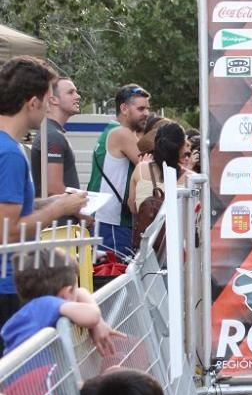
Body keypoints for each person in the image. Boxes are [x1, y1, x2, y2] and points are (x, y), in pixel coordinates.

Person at [0, 57, 88, 350]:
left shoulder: (9, 148)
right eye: (49, 99)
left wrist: (44, 203)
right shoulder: (10, 154)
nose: (51, 106)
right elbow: (8, 232)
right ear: (32, 103)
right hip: (7, 284)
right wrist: (58, 209)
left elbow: (10, 210)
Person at [2, 249, 120, 356]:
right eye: (74, 288)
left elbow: (81, 292)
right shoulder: (47, 304)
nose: (77, 292)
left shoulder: (35, 309)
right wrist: (99, 323)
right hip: (36, 377)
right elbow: (92, 316)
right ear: (66, 293)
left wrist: (78, 293)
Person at [88, 84, 150, 257]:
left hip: (104, 220)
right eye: (141, 108)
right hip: (112, 222)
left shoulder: (111, 130)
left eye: (147, 108)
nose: (146, 113)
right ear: (124, 108)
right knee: (115, 277)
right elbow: (148, 166)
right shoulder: (122, 133)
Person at [30, 76, 82, 198]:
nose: (78, 96)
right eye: (71, 92)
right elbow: (54, 189)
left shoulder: (50, 132)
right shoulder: (53, 136)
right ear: (53, 99)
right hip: (60, 216)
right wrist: (81, 210)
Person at [127, 121, 190, 216]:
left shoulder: (140, 169)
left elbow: (132, 207)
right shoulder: (191, 178)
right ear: (180, 147)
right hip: (179, 230)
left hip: (147, 230)